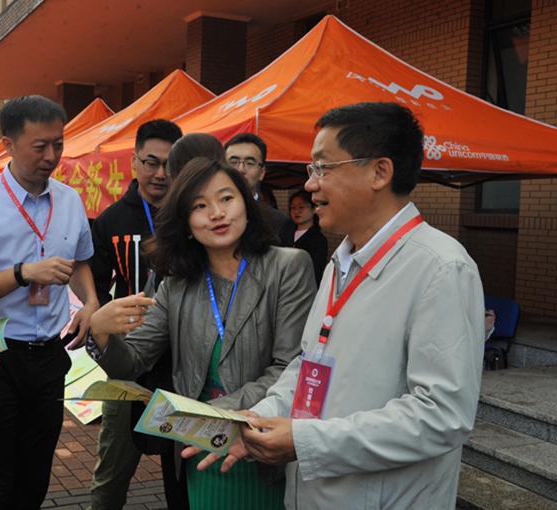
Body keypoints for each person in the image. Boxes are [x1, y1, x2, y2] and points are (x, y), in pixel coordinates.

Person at [191, 102, 485, 510]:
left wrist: (306, 441)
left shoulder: (441, 268)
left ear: (379, 172)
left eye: (323, 168)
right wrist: (260, 418)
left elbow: (442, 416)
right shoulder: (341, 262)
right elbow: (310, 366)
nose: (310, 184)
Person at [88, 157, 317, 509]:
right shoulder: (176, 283)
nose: (217, 213)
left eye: (226, 198)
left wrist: (205, 413)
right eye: (200, 206)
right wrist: (101, 332)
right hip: (200, 451)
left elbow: (289, 368)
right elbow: (130, 364)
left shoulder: (288, 266)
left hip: (262, 444)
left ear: (246, 203)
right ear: (185, 222)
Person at [0, 95, 100, 510]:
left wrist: (91, 301)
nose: (51, 156)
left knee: (34, 475)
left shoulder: (70, 200)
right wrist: (23, 273)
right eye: (40, 146)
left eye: (58, 144)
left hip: (49, 358)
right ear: (8, 144)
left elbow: (80, 261)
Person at [89, 119, 186, 510]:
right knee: (113, 467)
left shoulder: (191, 214)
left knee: (184, 467)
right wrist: (106, 327)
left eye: (168, 164)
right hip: (128, 358)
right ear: (134, 162)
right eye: (151, 162)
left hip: (183, 359)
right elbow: (95, 289)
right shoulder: (111, 220)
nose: (160, 173)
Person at [224, 133, 294, 246]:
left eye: (250, 163)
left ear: (262, 173)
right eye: (233, 162)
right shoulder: (209, 215)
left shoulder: (279, 223)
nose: (241, 169)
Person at [288, 190, 328, 285]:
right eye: (293, 207)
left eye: (301, 207)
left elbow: (314, 271)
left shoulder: (318, 240)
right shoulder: (285, 233)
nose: (296, 211)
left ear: (314, 209)